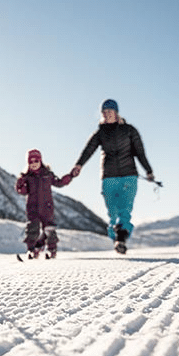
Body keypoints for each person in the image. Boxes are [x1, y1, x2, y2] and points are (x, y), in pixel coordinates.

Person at [71, 99, 154, 254]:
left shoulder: (129, 130)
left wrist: (148, 170)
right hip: (109, 176)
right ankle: (116, 235)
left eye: (110, 111)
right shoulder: (100, 132)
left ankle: (121, 239)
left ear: (116, 113)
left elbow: (140, 152)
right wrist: (79, 165)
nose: (107, 114)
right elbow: (89, 149)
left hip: (129, 175)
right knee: (112, 211)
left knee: (125, 209)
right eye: (104, 112)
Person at [15, 149, 73, 259]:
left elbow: (59, 183)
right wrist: (20, 184)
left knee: (49, 228)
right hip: (32, 207)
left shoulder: (48, 175)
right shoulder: (27, 177)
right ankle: (31, 249)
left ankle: (52, 249)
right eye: (31, 162)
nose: (33, 164)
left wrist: (69, 177)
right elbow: (23, 191)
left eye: (36, 160)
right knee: (32, 227)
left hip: (47, 206)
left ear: (40, 161)